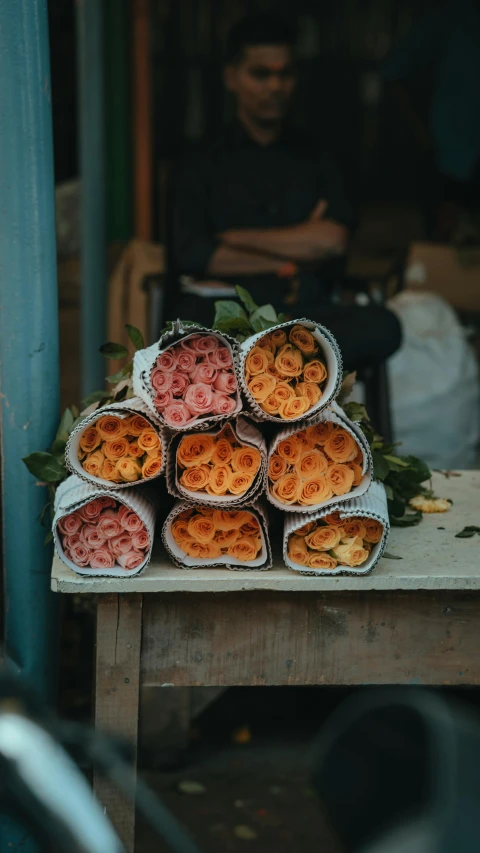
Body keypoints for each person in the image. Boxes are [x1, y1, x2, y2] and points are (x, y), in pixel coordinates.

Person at [171, 15, 401, 368]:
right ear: (232, 77)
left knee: (385, 326)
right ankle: (279, 375)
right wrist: (297, 252)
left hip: (305, 312)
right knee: (197, 336)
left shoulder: (319, 157)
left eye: (285, 73)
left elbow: (332, 241)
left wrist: (233, 238)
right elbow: (196, 255)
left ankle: (274, 372)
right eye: (261, 74)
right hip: (226, 311)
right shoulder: (201, 162)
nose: (275, 86)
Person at [383, 0, 480, 241]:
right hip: (451, 159)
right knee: (445, 250)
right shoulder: (453, 20)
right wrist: (421, 132)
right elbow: (393, 71)